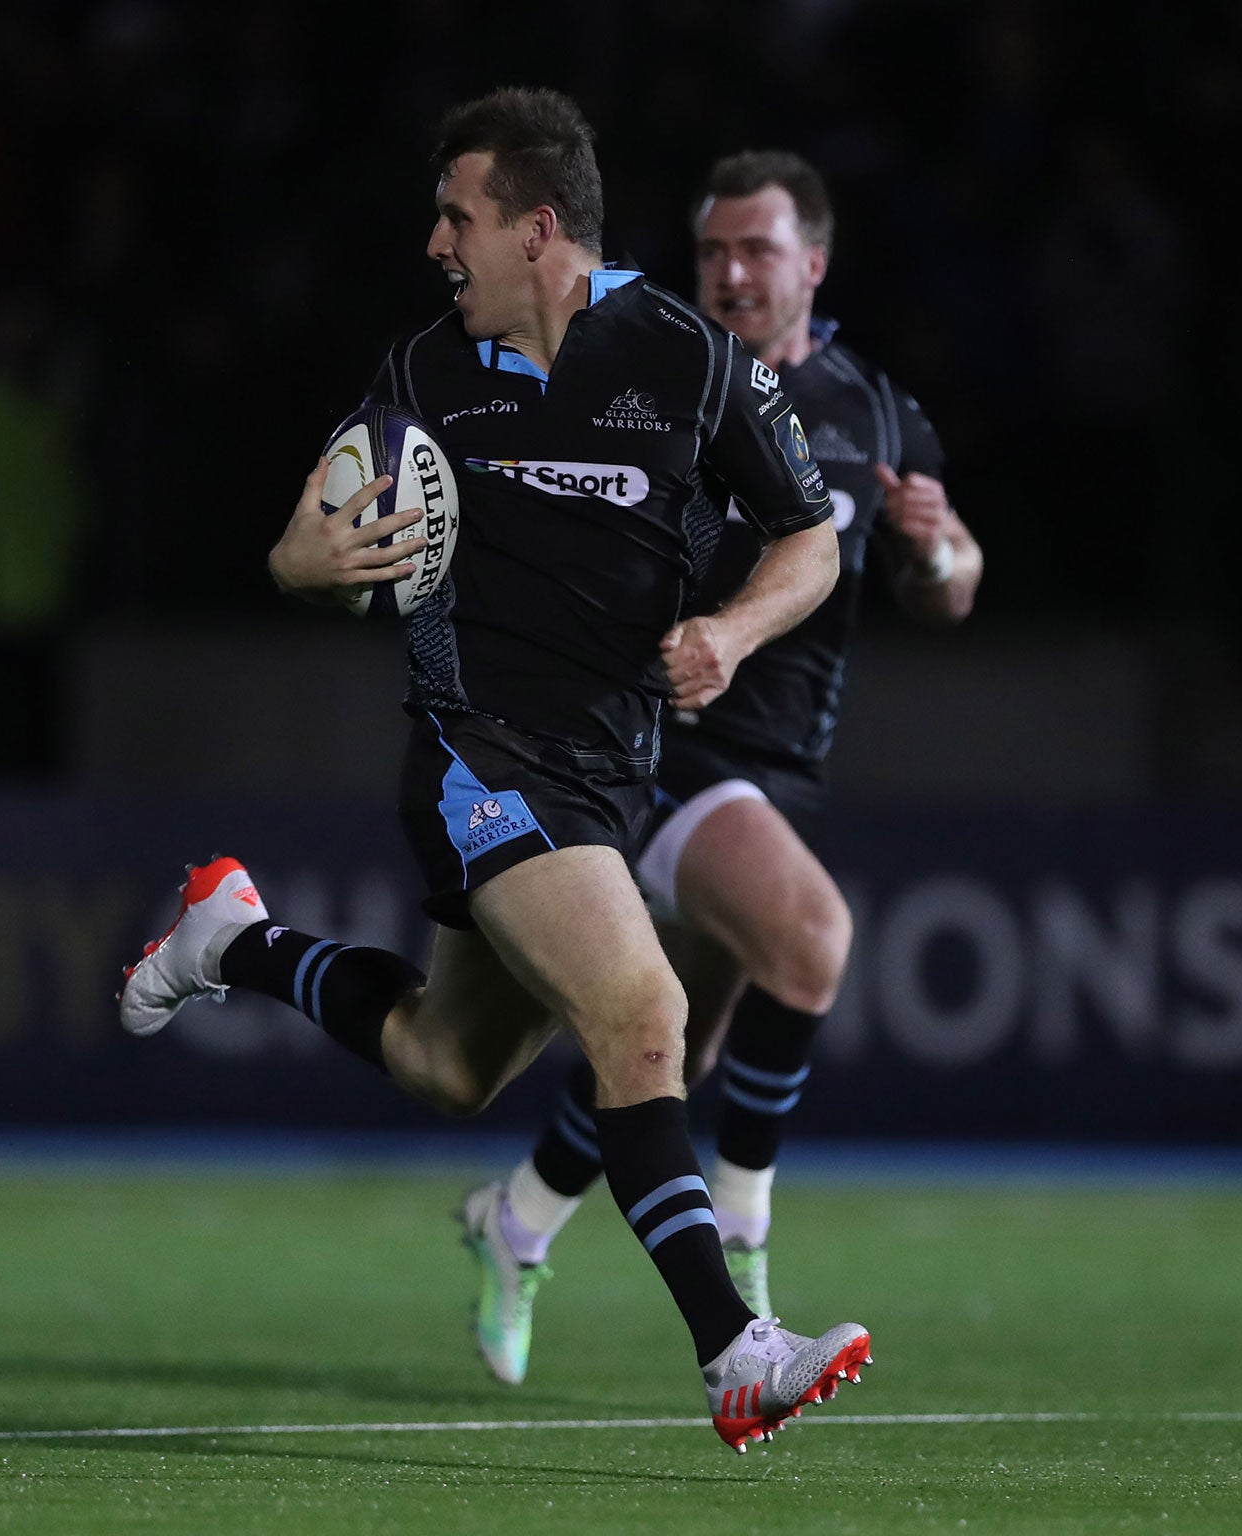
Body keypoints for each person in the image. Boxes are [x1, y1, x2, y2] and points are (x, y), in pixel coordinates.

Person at [120, 91, 870, 1453]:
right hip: (477, 757)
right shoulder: (423, 376)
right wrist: (309, 563)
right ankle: (734, 1350)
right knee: (643, 1010)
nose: (434, 243)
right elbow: (303, 532)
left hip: (605, 782)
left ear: (538, 229)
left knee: (446, 1065)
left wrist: (733, 627)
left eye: (456, 215)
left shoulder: (691, 362)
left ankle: (234, 940)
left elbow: (809, 540)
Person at [459, 149, 984, 1387]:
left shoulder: (875, 411)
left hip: (781, 763)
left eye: (756, 251)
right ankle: (745, 1243)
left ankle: (516, 1221)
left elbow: (943, 591)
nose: (732, 273)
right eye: (712, 252)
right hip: (657, 747)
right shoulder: (657, 385)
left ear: (812, 264)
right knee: (809, 933)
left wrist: (939, 550)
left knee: (666, 1052)